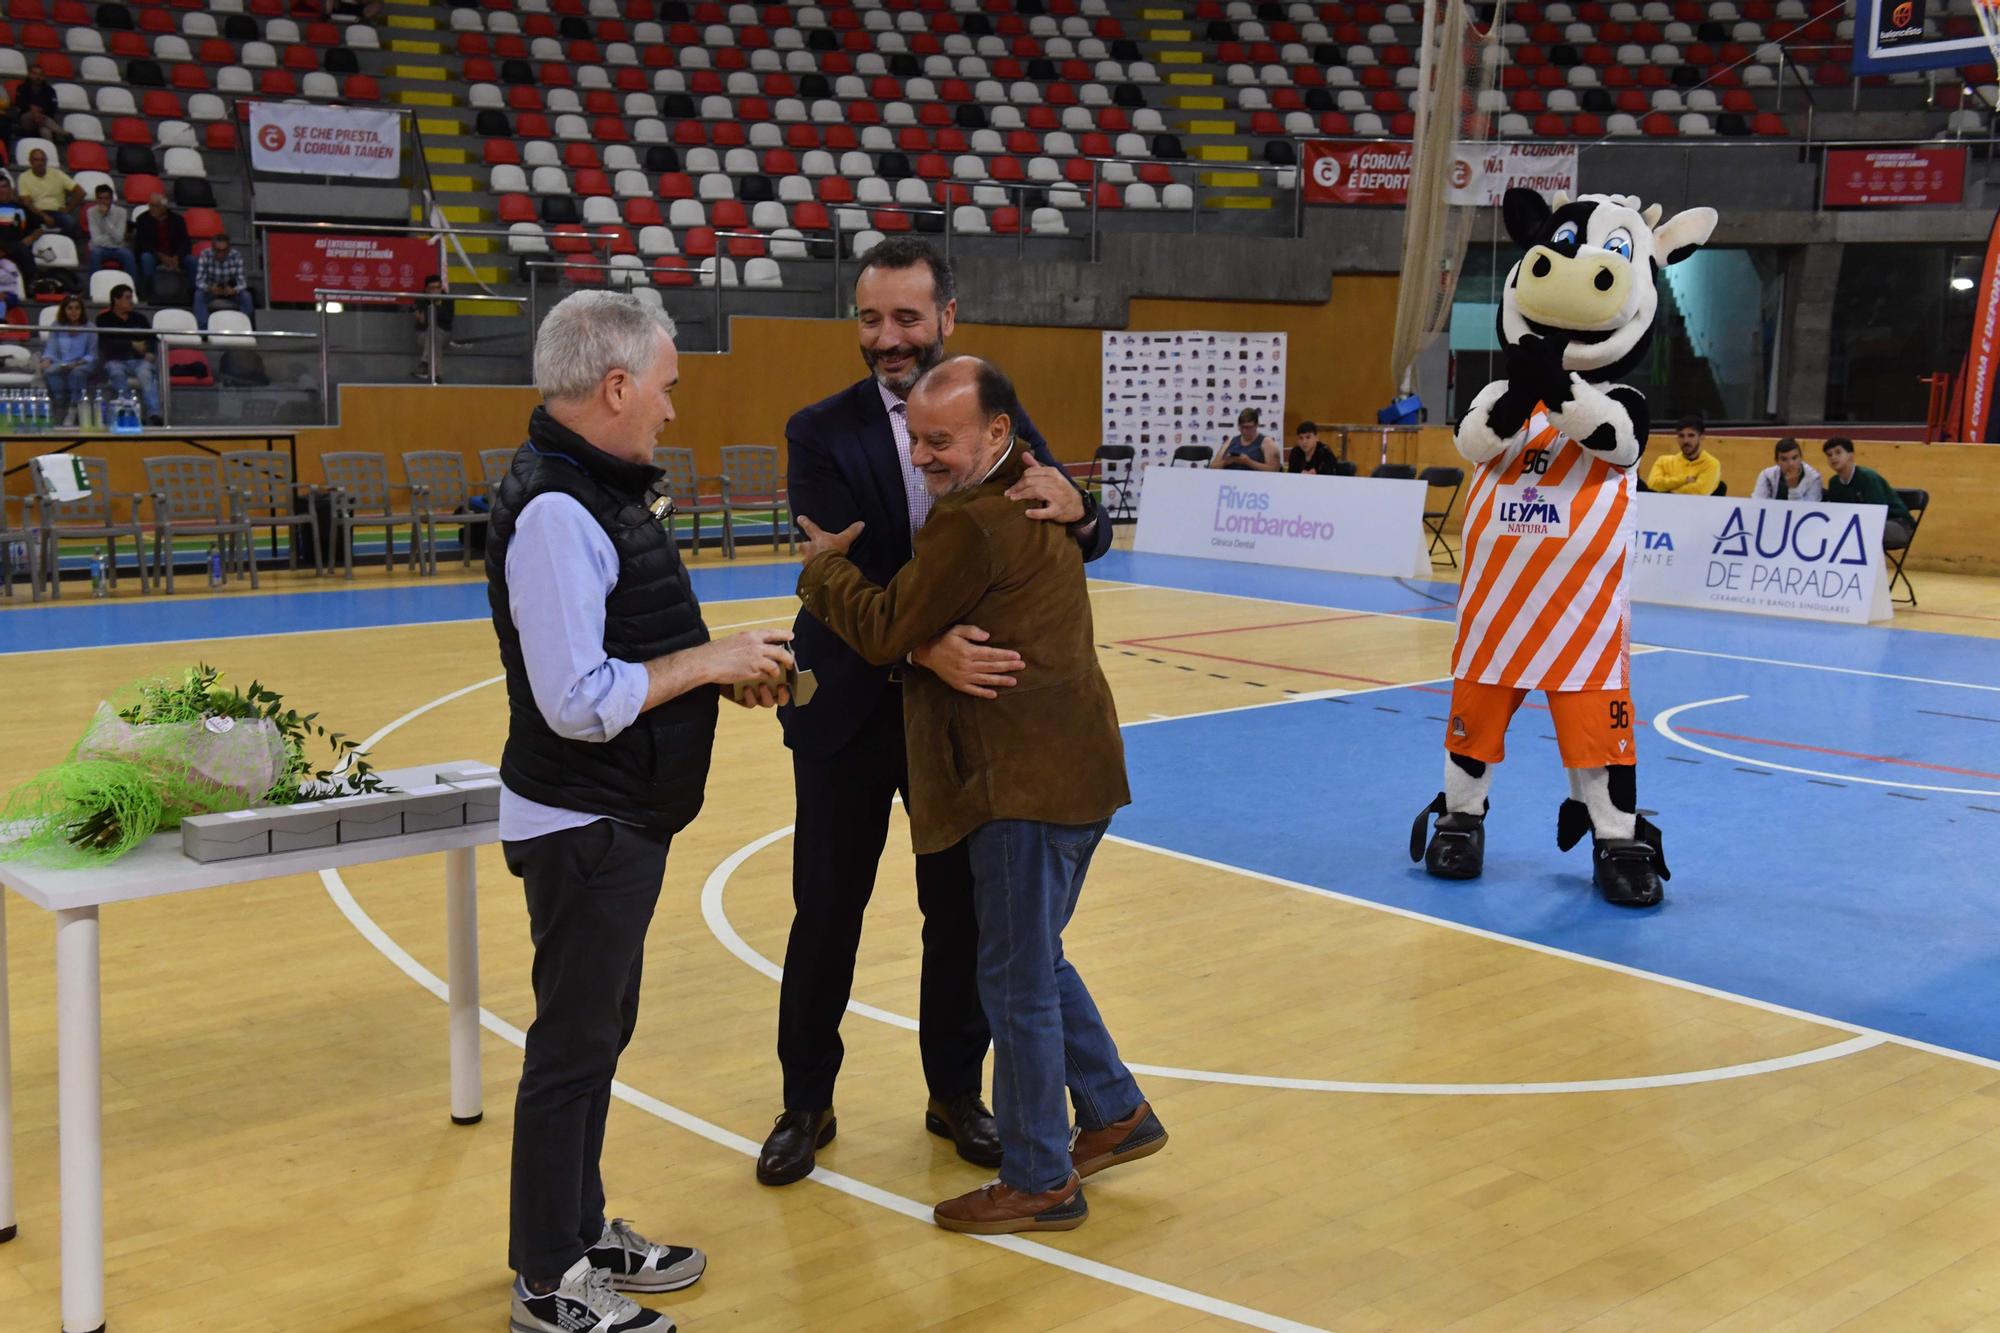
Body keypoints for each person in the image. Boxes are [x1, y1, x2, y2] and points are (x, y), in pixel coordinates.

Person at [758, 238, 1111, 1187]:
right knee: (825, 908)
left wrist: (1082, 506)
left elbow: (1077, 530)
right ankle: (806, 1100)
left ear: (946, 317)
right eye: (871, 318)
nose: (887, 337)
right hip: (850, 707)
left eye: (906, 317)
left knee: (959, 915)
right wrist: (925, 644)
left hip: (958, 724)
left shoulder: (995, 405)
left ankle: (956, 1092)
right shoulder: (817, 430)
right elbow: (848, 566)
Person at [795, 356, 1163, 1235]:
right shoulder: (1038, 493)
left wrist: (821, 571)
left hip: (1017, 783)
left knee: (1015, 981)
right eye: (915, 438)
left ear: (998, 433)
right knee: (1034, 957)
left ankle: (1040, 1175)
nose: (923, 455)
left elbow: (885, 626)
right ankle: (1115, 1112)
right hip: (1077, 771)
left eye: (940, 440)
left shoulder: (973, 522)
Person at [487, 290, 796, 1333]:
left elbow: (628, 656)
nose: (670, 408)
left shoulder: (597, 495)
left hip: (615, 819)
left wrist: (712, 674)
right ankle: (545, 1273)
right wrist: (704, 661)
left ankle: (579, 1231)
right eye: (663, 387)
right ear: (614, 386)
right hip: (584, 821)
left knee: (595, 1036)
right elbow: (576, 702)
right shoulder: (556, 513)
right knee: (572, 1046)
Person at [1821, 437, 1915, 550]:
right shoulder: (1834, 483)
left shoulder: (1868, 477)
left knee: (1862, 531)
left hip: (1897, 524)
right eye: (1829, 455)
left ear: (1851, 455)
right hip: (1860, 527)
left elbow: (1877, 513)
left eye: (1838, 452)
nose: (1833, 457)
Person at [95, 284, 161, 425]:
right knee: (117, 372)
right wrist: (131, 344)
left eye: (132, 298)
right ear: (116, 300)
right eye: (127, 298)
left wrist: (150, 352)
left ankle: (154, 414)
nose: (131, 301)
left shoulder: (139, 318)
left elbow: (153, 339)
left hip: (139, 360)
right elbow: (105, 344)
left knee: (146, 374)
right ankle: (129, 413)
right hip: (115, 360)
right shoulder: (103, 319)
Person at [39, 292, 96, 424]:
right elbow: (51, 348)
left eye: (77, 308)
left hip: (83, 363)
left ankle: (73, 408)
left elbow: (92, 354)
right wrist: (47, 359)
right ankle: (60, 404)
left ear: (82, 310)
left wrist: (77, 363)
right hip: (62, 362)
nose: (74, 312)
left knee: (76, 373)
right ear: (64, 310)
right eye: (70, 308)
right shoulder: (57, 325)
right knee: (50, 371)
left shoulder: (90, 327)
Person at [132, 194, 192, 299]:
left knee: (192, 260)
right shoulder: (143, 219)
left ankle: (192, 293)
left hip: (175, 256)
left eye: (154, 206)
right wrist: (161, 257)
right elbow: (142, 244)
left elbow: (185, 242)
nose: (151, 209)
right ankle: (149, 293)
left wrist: (177, 256)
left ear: (164, 207)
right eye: (150, 205)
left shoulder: (178, 220)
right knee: (146, 258)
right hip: (154, 255)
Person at [16, 149, 83, 242]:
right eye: (36, 160)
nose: (40, 163)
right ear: (30, 162)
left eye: (42, 160)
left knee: (71, 222)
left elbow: (80, 192)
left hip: (56, 212)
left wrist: (68, 209)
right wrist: (44, 216)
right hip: (35, 212)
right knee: (25, 223)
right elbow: (26, 202)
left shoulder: (57, 174)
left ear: (46, 161)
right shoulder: (24, 177)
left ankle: (60, 243)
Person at [1644, 415, 1722, 494]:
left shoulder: (1711, 464)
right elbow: (1652, 485)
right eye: (1681, 436)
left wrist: (1667, 489)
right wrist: (1684, 480)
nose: (1685, 441)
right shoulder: (1663, 461)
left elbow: (1699, 492)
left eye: (1691, 435)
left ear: (1701, 438)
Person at [192, 233, 253, 327]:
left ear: (228, 249)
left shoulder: (236, 256)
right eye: (217, 250)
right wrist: (209, 288)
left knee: (246, 296)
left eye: (224, 251)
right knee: (198, 295)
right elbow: (199, 281)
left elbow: (242, 282)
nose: (220, 254)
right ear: (213, 248)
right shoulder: (205, 254)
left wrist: (233, 290)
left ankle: (245, 327)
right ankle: (203, 329)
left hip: (230, 289)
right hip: (211, 289)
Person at [83, 184, 135, 282]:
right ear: (96, 199)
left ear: (111, 199)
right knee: (95, 254)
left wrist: (105, 218)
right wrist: (112, 239)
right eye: (100, 198)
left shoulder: (121, 212)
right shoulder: (91, 212)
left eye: (106, 198)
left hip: (118, 248)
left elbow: (119, 238)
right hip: (99, 248)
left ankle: (132, 288)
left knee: (128, 255)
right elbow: (96, 240)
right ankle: (93, 288)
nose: (103, 201)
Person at [1751, 437, 1822, 502]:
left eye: (1794, 458)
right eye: (1784, 459)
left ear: (1801, 458)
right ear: (1777, 461)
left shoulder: (1814, 478)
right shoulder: (1767, 475)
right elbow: (1757, 504)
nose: (1790, 464)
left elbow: (1806, 511)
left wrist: (1793, 489)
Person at [9, 64, 66, 145]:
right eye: (34, 74)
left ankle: (51, 153)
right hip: (26, 120)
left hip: (43, 120)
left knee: (45, 131)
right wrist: (32, 109)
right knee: (33, 114)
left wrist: (40, 110)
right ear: (29, 74)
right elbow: (19, 103)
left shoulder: (50, 90)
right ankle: (63, 133)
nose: (38, 77)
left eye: (40, 74)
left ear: (44, 76)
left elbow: (53, 108)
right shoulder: (22, 87)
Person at [1210, 407, 1280, 471]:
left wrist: (1249, 462)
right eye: (1242, 427)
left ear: (1257, 425)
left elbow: (1274, 470)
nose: (1244, 431)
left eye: (1248, 427)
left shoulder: (1267, 443)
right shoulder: (1230, 441)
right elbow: (1213, 466)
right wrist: (1227, 462)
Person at [413, 273, 454, 380]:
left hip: (444, 334)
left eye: (437, 288)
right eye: (432, 288)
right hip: (423, 335)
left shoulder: (448, 299)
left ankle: (426, 363)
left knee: (434, 334)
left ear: (441, 288)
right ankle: (436, 376)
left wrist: (434, 306)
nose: (435, 291)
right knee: (433, 334)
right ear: (426, 289)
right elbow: (422, 320)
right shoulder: (420, 298)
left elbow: (446, 319)